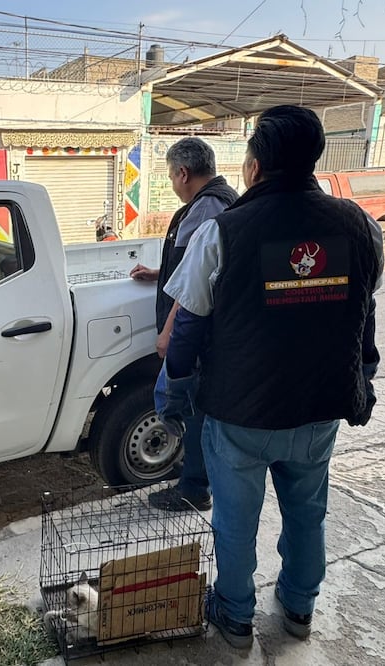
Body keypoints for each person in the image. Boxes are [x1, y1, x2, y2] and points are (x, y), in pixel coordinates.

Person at [154, 105, 383, 649]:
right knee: (308, 512)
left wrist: (173, 392)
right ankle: (300, 608)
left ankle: (235, 616)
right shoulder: (360, 226)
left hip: (240, 414)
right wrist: (363, 379)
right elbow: (364, 312)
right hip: (318, 408)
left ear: (254, 166)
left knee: (236, 521)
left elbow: (185, 330)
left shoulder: (221, 232)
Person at [129, 137, 238, 512]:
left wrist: (169, 332)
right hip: (208, 328)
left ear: (183, 173)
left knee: (189, 408)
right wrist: (159, 274)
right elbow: (198, 265)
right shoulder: (220, 198)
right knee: (191, 406)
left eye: (171, 176)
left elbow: (198, 282)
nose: (172, 183)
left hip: (197, 332)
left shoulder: (207, 207)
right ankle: (196, 479)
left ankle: (193, 488)